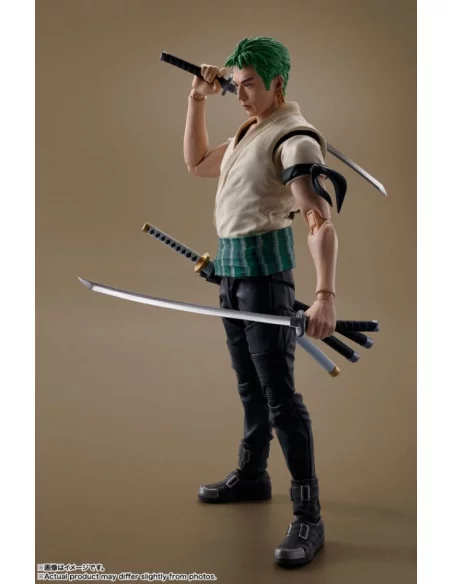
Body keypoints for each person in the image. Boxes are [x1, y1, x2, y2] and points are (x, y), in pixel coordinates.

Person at [183, 36, 338, 567]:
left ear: (277, 83)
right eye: (236, 84)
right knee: (249, 386)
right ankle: (252, 474)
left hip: (266, 280)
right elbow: (197, 163)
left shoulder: (295, 140)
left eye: (249, 84)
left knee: (280, 397)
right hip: (231, 274)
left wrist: (324, 296)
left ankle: (309, 515)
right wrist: (197, 98)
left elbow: (318, 220)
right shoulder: (250, 130)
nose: (241, 94)